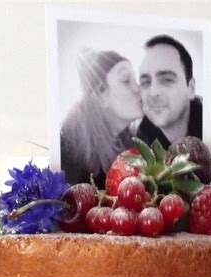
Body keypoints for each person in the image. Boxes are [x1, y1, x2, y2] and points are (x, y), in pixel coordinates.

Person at [60, 48, 142, 186]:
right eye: (126, 80)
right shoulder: (70, 151)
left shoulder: (132, 144)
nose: (138, 88)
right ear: (101, 95)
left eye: (135, 79)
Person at [133, 34, 202, 149]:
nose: (153, 92)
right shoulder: (139, 146)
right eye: (145, 82)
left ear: (191, 88)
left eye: (167, 80)